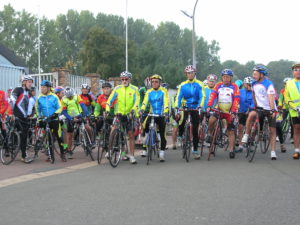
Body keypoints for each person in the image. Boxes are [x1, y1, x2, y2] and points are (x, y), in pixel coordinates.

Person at [241, 65, 278, 160]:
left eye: (255, 74)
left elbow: (270, 97)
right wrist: (255, 105)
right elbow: (254, 95)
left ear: (262, 74)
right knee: (251, 114)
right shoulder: (253, 84)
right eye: (253, 73)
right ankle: (246, 135)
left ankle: (273, 151)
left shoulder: (268, 84)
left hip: (270, 108)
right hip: (259, 108)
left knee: (272, 131)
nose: (253, 75)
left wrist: (272, 110)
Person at [106, 71, 140, 164]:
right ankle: (109, 151)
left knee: (130, 135)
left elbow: (137, 102)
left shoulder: (134, 89)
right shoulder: (117, 88)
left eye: (126, 79)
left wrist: (133, 110)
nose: (124, 81)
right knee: (113, 131)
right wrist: (107, 109)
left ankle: (132, 156)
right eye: (122, 79)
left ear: (130, 79)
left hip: (130, 114)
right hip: (119, 114)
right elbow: (109, 100)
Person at [206, 69, 240, 158]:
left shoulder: (235, 86)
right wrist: (209, 105)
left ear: (231, 78)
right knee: (211, 120)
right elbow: (213, 95)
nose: (225, 78)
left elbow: (236, 99)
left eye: (227, 77)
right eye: (224, 77)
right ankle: (210, 135)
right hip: (219, 109)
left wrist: (233, 111)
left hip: (229, 111)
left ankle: (232, 150)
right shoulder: (218, 85)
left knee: (230, 130)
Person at [175, 65, 205, 160]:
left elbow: (202, 96)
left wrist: (200, 105)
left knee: (195, 129)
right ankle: (180, 135)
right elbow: (179, 96)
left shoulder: (200, 84)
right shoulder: (183, 85)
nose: (190, 74)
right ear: (186, 74)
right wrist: (177, 106)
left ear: (194, 73)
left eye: (192, 73)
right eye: (188, 73)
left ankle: (195, 150)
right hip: (186, 106)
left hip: (196, 107)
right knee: (182, 119)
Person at [140, 74, 169, 162]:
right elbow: (145, 102)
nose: (154, 83)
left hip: (161, 114)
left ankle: (162, 152)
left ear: (160, 83)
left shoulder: (163, 91)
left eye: (156, 82)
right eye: (152, 82)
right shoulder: (149, 92)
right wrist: (142, 109)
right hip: (152, 113)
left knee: (163, 133)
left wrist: (166, 111)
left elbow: (166, 102)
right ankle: (147, 137)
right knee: (145, 124)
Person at [36, 80, 67, 162]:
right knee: (49, 139)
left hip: (55, 120)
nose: (42, 89)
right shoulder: (39, 98)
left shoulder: (54, 96)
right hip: (46, 120)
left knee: (59, 138)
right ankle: (50, 155)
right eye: (41, 87)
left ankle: (63, 153)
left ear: (49, 88)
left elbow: (59, 107)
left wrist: (56, 114)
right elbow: (37, 109)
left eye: (44, 87)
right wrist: (40, 117)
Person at [11, 75, 34, 163]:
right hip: (17, 116)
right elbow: (12, 100)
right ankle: (23, 155)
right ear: (24, 82)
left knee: (24, 136)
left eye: (31, 82)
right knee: (22, 136)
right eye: (29, 82)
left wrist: (31, 114)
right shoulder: (18, 89)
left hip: (24, 117)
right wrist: (12, 114)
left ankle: (23, 154)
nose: (30, 84)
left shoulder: (28, 92)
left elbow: (28, 106)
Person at [61, 87, 89, 159]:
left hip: (79, 115)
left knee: (87, 127)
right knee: (69, 135)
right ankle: (69, 149)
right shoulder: (63, 99)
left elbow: (83, 105)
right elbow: (64, 111)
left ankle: (91, 143)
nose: (70, 98)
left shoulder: (77, 96)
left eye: (71, 96)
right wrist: (71, 118)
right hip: (70, 117)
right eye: (69, 97)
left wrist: (87, 114)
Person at [284, 63, 300, 159]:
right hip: (295, 111)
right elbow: (286, 97)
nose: (298, 71)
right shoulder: (289, 83)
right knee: (296, 129)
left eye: (299, 69)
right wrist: (294, 107)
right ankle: (296, 151)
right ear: (292, 72)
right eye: (295, 70)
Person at [236, 76, 255, 152]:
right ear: (244, 84)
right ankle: (240, 145)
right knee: (240, 128)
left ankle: (250, 143)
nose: (249, 86)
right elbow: (236, 99)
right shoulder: (240, 91)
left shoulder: (254, 92)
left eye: (250, 85)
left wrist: (250, 109)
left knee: (249, 128)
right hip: (241, 111)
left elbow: (254, 102)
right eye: (248, 84)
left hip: (250, 112)